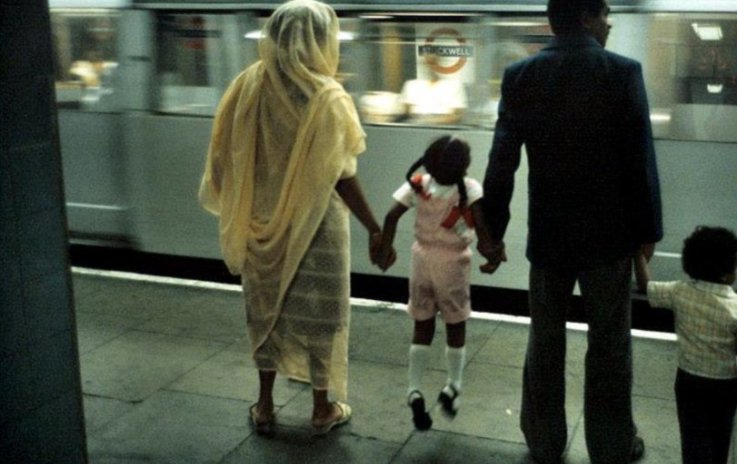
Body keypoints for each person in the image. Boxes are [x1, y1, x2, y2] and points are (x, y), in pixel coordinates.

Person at [479, 0, 662, 462]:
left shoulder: (521, 75)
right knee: (609, 344)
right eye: (604, 14)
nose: (610, 22)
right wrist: (648, 230)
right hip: (609, 239)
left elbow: (502, 162)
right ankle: (611, 444)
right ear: (585, 17)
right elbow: (640, 160)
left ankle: (544, 440)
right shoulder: (622, 72)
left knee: (545, 340)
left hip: (549, 236)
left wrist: (493, 231)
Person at [198, 0, 384, 436]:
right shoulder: (327, 96)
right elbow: (343, 176)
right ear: (320, 40)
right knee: (322, 316)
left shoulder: (246, 87)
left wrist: (251, 201)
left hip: (260, 226)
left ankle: (264, 405)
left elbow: (222, 159)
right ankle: (322, 408)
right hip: (318, 230)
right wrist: (376, 229)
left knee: (267, 311)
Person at [375, 135, 499, 431]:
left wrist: (385, 250)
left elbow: (391, 216)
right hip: (453, 265)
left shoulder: (418, 183)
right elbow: (481, 229)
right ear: (464, 166)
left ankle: (414, 389)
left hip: (421, 262)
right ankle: (453, 386)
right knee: (455, 325)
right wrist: (492, 255)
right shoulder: (469, 188)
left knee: (422, 325)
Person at [634, 226, 737, 464]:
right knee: (720, 437)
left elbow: (646, 286)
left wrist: (639, 254)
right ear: (727, 273)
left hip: (689, 382)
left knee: (692, 437)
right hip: (726, 386)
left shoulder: (679, 292)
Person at [398, 53, 468, 125]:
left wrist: (431, 121)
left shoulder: (454, 85)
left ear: (441, 64)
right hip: (415, 126)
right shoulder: (411, 85)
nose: (430, 67)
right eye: (428, 63)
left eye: (434, 63)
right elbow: (406, 112)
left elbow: (457, 115)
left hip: (443, 126)